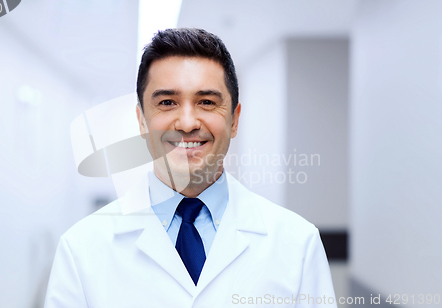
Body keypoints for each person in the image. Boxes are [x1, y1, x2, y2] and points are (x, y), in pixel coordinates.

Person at [45, 28, 337, 307]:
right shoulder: (81, 249)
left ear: (234, 120)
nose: (187, 123)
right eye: (167, 102)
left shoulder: (297, 243)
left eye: (207, 102)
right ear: (142, 121)